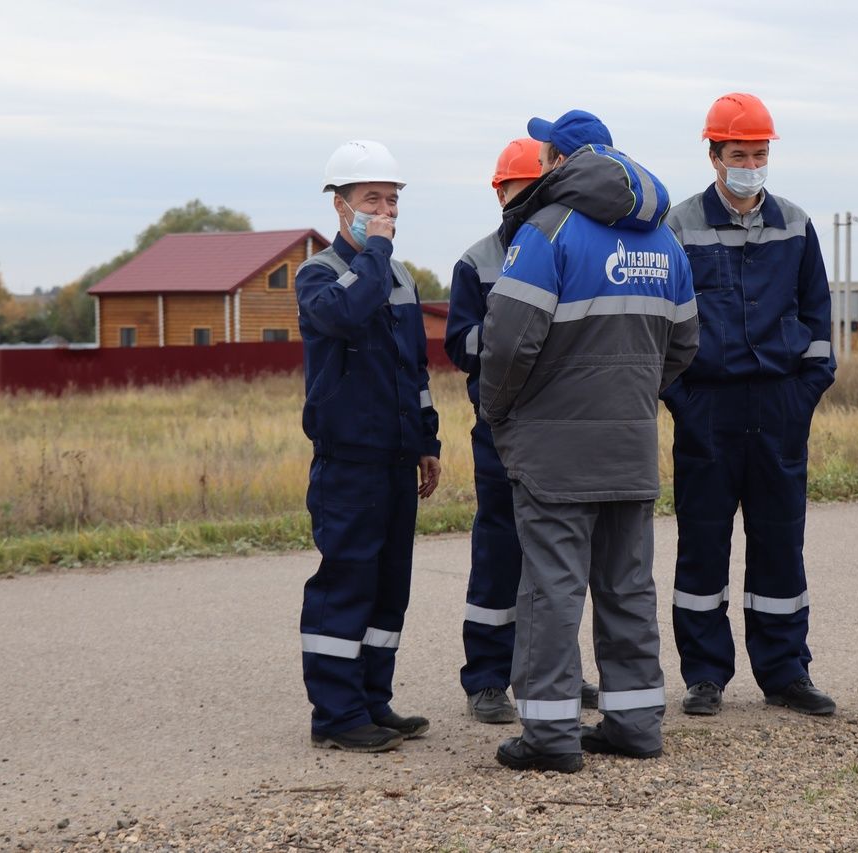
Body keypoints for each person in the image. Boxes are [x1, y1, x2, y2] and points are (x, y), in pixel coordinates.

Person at [480, 110, 698, 772]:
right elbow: (684, 345)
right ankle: (635, 722)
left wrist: (500, 414)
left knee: (551, 588)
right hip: (630, 445)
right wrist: (630, 399)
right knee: (628, 585)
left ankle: (549, 735)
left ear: (559, 162)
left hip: (553, 452)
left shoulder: (548, 233)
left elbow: (507, 344)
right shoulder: (665, 241)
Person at [663, 93, 836, 718]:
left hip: (779, 408)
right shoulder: (677, 227)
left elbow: (818, 317)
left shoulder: (795, 222)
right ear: (713, 155)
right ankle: (705, 676)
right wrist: (682, 399)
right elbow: (662, 328)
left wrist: (804, 392)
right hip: (707, 408)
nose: (751, 165)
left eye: (760, 153)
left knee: (780, 543)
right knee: (702, 544)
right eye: (739, 154)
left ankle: (786, 673)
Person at [445, 138, 601, 724]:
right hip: (501, 431)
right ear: (499, 192)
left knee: (559, 563)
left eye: (534, 189)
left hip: (558, 431)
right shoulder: (476, 262)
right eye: (516, 189)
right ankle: (486, 679)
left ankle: (557, 671)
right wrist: (519, 338)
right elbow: (462, 344)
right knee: (498, 553)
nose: (525, 199)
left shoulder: (566, 250)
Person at [295, 139, 442, 753]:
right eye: (370, 199)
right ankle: (334, 714)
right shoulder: (318, 275)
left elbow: (415, 369)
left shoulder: (400, 277)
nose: (385, 209)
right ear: (340, 206)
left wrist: (427, 439)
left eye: (391, 199)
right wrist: (376, 249)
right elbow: (348, 316)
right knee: (346, 582)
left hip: (395, 457)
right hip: (347, 461)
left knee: (390, 585)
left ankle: (371, 701)